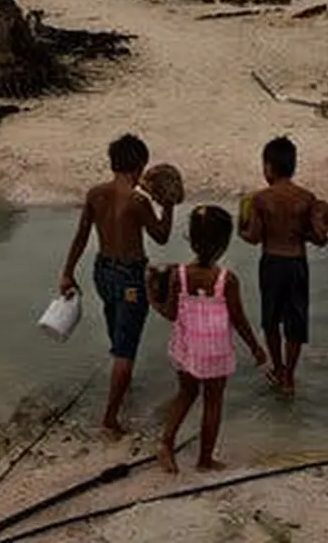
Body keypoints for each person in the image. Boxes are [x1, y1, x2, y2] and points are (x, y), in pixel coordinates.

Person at [57, 133, 174, 435]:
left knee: (117, 335)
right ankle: (110, 418)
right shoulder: (137, 201)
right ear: (138, 166)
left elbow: (82, 235)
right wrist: (169, 205)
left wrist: (67, 272)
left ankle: (122, 389)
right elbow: (161, 235)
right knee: (126, 349)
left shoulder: (95, 193)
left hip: (102, 272)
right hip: (130, 277)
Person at [146, 205, 267, 473]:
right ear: (224, 243)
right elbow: (239, 319)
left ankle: (166, 443)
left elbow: (171, 313)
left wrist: (151, 295)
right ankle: (204, 460)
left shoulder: (180, 276)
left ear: (190, 237)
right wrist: (256, 348)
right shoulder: (226, 280)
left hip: (187, 348)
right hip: (215, 352)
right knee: (213, 403)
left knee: (186, 393)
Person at [239, 136, 328, 396]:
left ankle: (278, 368)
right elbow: (319, 238)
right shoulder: (306, 198)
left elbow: (254, 237)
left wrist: (240, 229)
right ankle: (290, 377)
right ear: (293, 166)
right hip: (296, 264)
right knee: (295, 320)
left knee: (271, 321)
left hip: (271, 263)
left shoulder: (260, 200)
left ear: (268, 167)